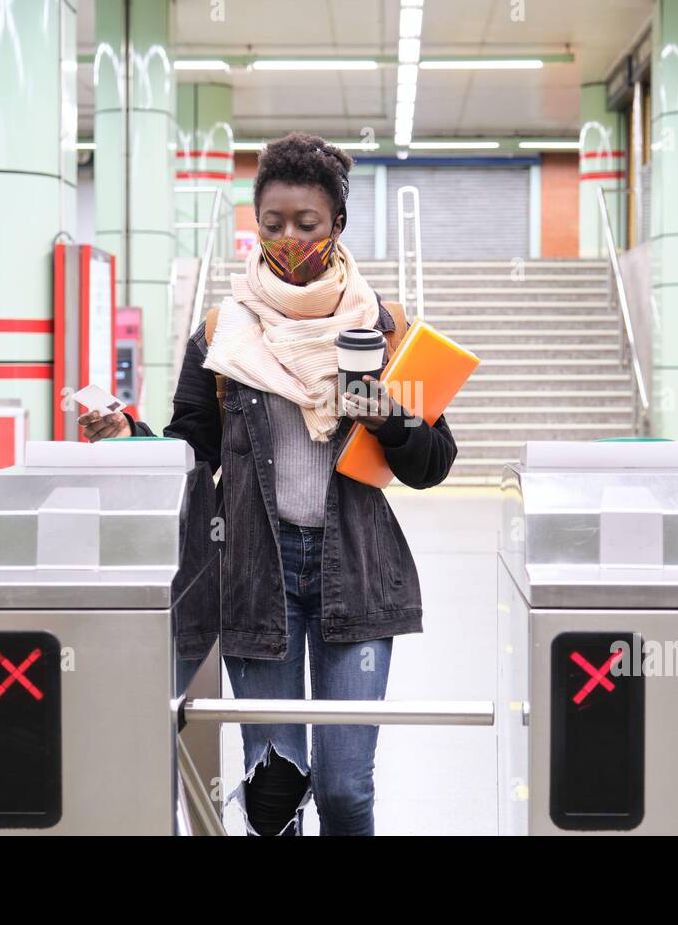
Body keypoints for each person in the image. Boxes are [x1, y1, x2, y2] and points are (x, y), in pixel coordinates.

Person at [80, 131, 457, 836]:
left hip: (360, 574)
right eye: (272, 223)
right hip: (258, 573)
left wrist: (391, 417)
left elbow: (434, 462)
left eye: (306, 224)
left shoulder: (388, 330)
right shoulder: (224, 333)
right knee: (273, 791)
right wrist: (131, 434)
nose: (287, 239)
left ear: (337, 226)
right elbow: (193, 447)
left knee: (346, 789)